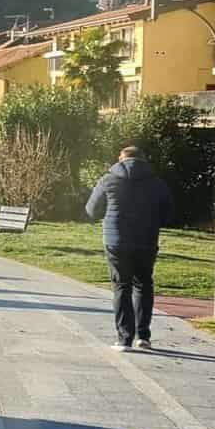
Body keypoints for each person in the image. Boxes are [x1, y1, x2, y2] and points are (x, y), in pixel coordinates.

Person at [85, 145, 174, 350]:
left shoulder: (107, 180)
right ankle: (143, 336)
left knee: (121, 286)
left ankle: (124, 338)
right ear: (143, 160)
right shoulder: (156, 183)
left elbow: (91, 210)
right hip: (146, 240)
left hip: (116, 241)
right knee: (143, 284)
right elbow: (169, 214)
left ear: (120, 159)